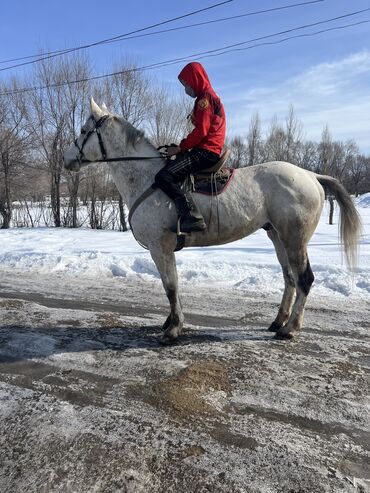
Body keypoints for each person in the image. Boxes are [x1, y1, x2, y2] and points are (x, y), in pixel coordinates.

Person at [154, 61, 226, 233]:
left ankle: (191, 216)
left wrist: (180, 148)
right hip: (206, 149)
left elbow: (201, 131)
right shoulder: (208, 96)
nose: (186, 88)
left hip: (205, 152)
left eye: (187, 84)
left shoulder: (204, 99)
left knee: (163, 177)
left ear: (195, 79)